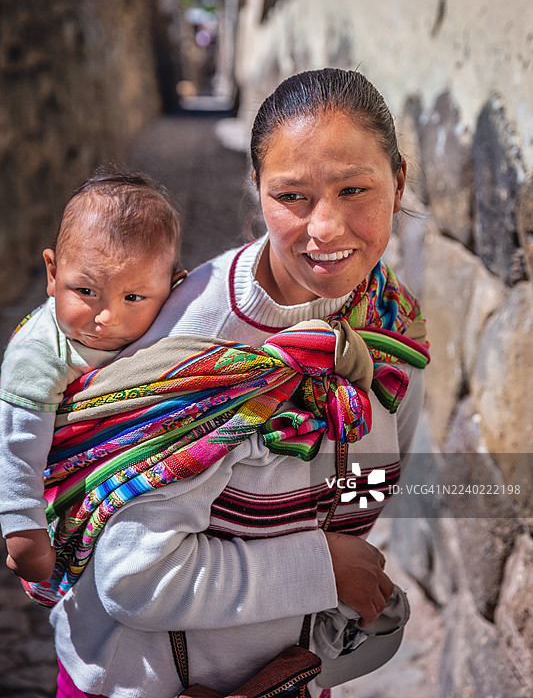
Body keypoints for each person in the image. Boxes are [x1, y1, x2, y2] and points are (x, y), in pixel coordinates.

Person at [43, 69, 428, 698]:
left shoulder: (389, 336)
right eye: (293, 196)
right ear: (257, 191)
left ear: (399, 181)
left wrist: (338, 600)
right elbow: (134, 579)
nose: (324, 228)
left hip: (284, 682)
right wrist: (323, 569)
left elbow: (367, 496)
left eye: (355, 188)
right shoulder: (194, 339)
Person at [0, 170, 186, 583]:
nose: (106, 318)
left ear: (174, 289)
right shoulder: (39, 355)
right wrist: (23, 531)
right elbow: (16, 449)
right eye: (85, 291)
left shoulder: (173, 317)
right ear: (52, 274)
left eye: (133, 297)